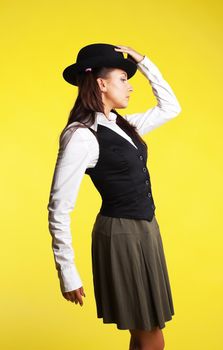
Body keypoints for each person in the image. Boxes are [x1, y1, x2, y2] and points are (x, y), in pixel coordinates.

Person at [47, 43, 182, 350]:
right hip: (121, 236)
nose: (131, 87)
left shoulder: (123, 124)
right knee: (152, 338)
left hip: (146, 231)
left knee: (144, 333)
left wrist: (144, 61)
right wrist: (67, 272)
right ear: (101, 83)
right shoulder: (81, 135)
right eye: (123, 79)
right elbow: (59, 208)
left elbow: (170, 107)